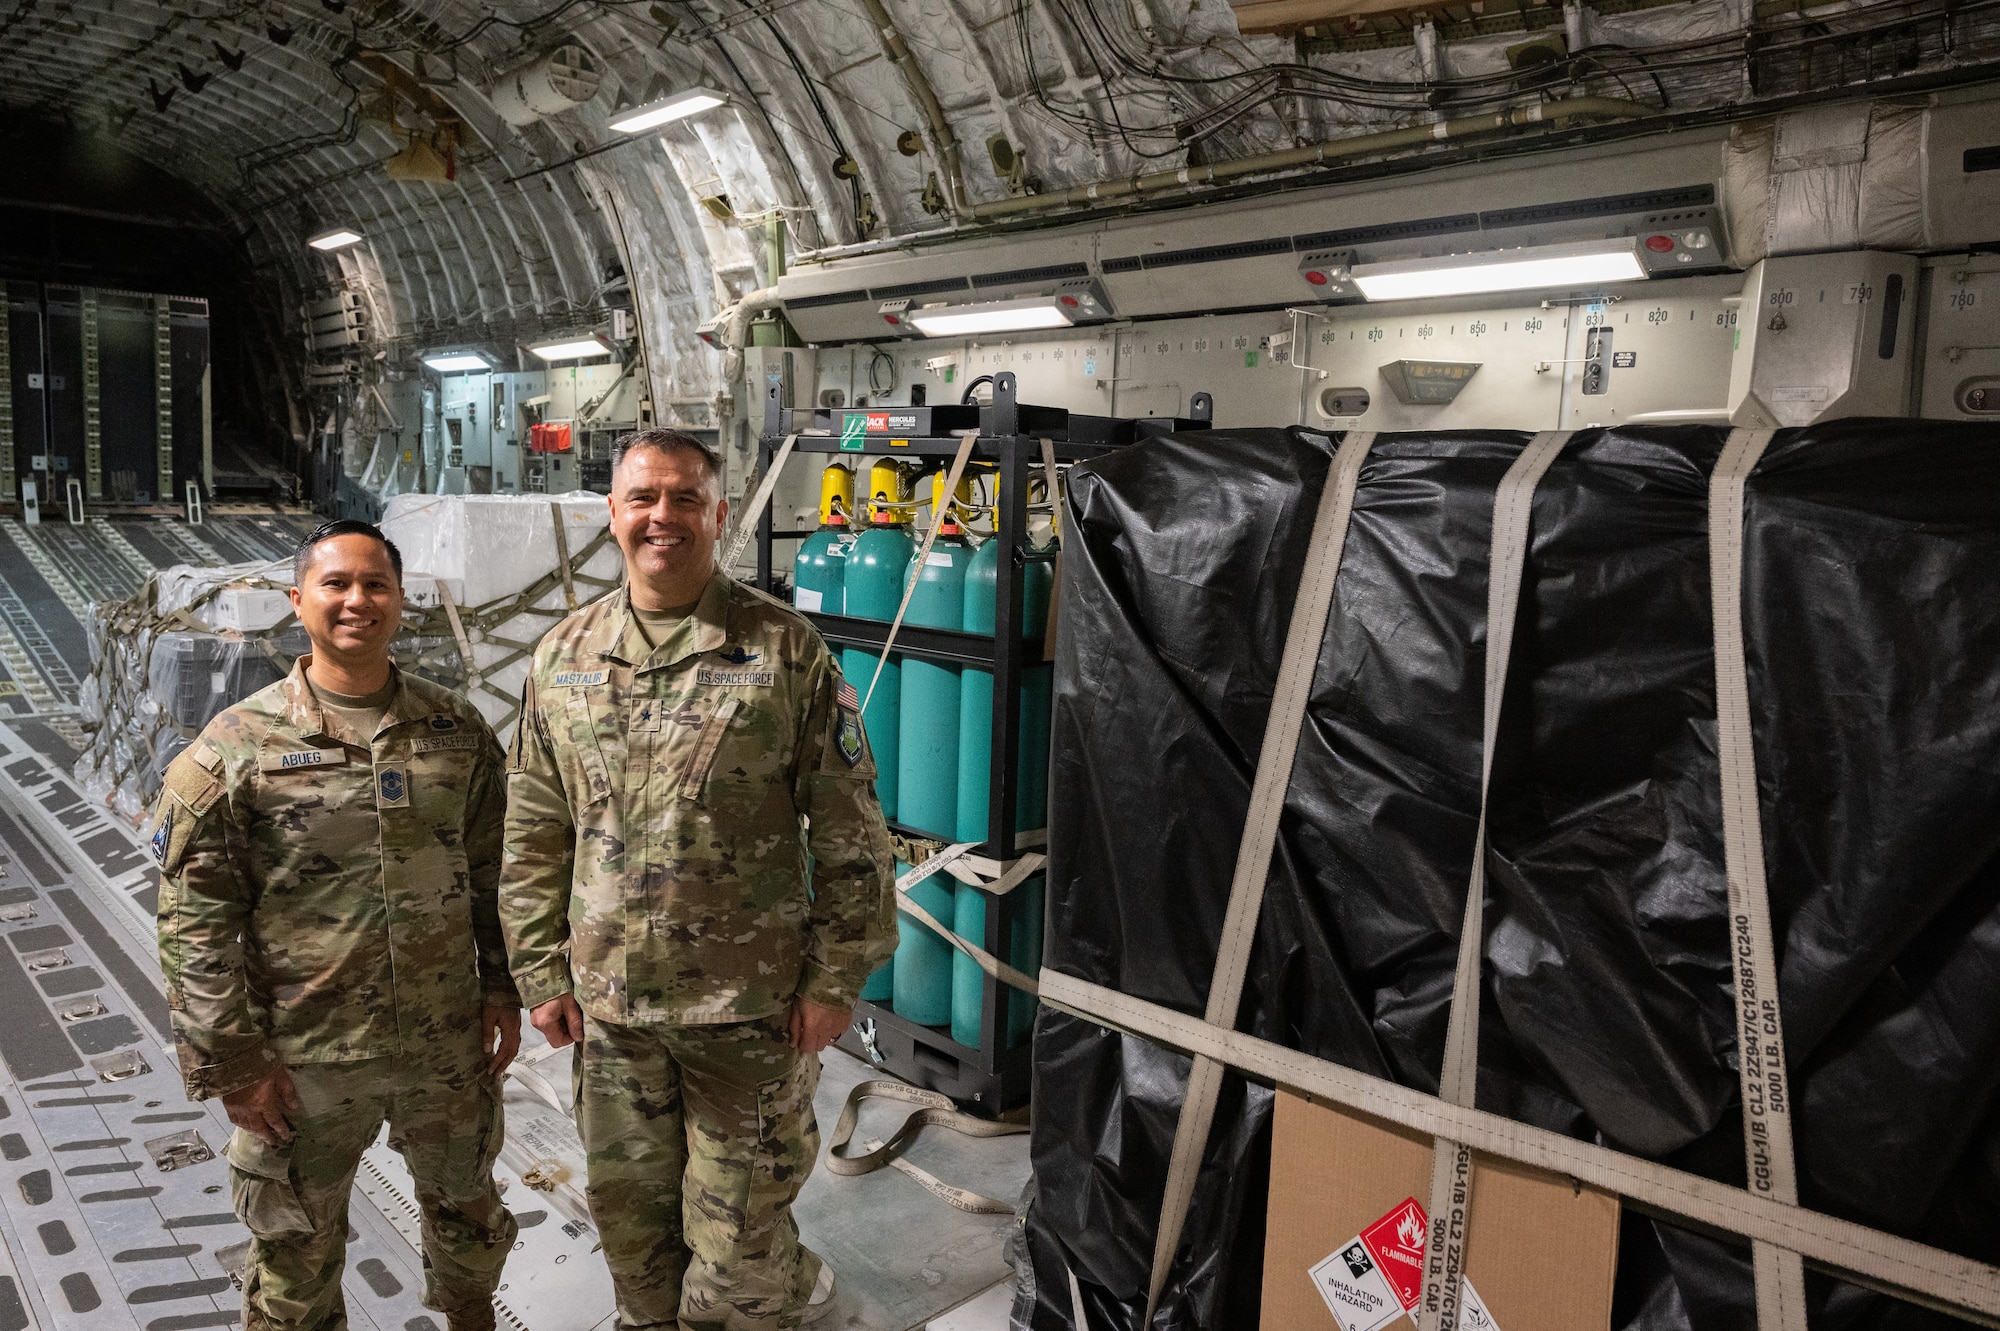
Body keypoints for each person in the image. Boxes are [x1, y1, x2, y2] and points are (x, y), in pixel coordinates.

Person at [500, 430, 897, 1330]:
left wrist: (835, 982)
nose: (662, 517)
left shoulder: (785, 653)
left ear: (719, 515)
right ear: (612, 514)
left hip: (747, 1015)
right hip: (612, 1017)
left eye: (685, 499)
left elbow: (851, 836)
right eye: (643, 498)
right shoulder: (562, 658)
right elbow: (533, 827)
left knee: (741, 1250)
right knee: (634, 1237)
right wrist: (538, 971)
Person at [153, 519, 521, 1331]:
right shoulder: (237, 747)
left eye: (376, 585)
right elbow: (195, 922)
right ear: (298, 602)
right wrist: (232, 1062)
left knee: (469, 1229)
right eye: (336, 584)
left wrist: (504, 989)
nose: (358, 600)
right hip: (303, 1058)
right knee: (294, 1263)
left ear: (400, 603)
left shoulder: (456, 732)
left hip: (442, 1048)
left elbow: (496, 873)